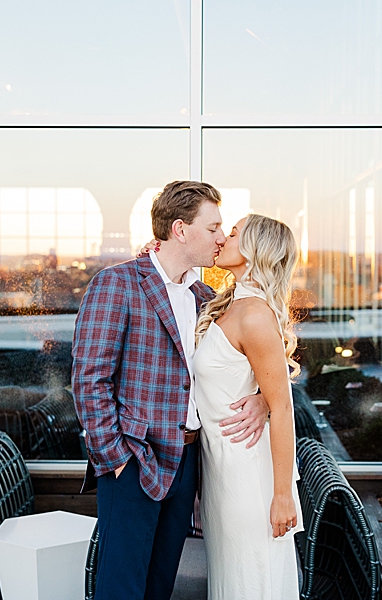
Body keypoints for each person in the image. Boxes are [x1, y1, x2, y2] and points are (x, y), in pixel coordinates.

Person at [72, 181, 270, 600]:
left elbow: (256, 359)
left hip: (190, 461)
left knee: (160, 586)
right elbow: (90, 380)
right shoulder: (117, 283)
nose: (221, 237)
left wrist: (264, 399)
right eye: (214, 227)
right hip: (133, 460)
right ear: (181, 230)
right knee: (120, 588)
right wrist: (116, 459)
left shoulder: (206, 297)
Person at [192, 213, 304, 599]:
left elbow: (284, 408)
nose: (223, 238)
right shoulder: (228, 304)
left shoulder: (255, 315)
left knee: (251, 582)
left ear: (256, 250)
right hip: (220, 472)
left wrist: (283, 494)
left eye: (234, 233)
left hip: (247, 479)